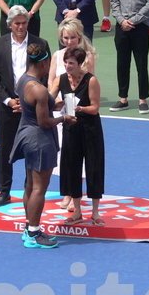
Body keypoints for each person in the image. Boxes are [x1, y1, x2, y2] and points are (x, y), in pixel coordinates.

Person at [10, 43, 76, 248]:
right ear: (45, 62)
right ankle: (34, 233)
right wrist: (63, 118)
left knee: (30, 185)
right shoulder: (38, 89)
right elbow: (44, 122)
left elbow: (38, 107)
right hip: (39, 140)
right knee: (40, 187)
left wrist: (52, 105)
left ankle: (29, 226)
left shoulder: (23, 81)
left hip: (25, 136)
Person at [0, 6, 50, 207]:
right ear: (10, 25)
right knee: (5, 150)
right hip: (6, 107)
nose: (21, 27)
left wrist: (28, 101)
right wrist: (8, 100)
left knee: (31, 151)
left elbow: (46, 75)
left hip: (30, 109)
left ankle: (28, 190)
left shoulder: (40, 44)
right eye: (17, 24)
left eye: (24, 23)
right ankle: (4, 192)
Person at [49, 46, 105, 226]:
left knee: (93, 168)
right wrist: (56, 105)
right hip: (70, 128)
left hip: (90, 129)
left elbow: (95, 108)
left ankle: (95, 213)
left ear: (80, 63)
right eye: (65, 62)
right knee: (71, 168)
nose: (67, 66)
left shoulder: (91, 80)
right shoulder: (61, 80)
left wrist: (79, 108)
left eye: (71, 63)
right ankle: (77, 212)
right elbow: (50, 100)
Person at [48, 17, 97, 212]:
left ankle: (74, 193)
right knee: (64, 154)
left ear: (80, 37)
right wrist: (53, 103)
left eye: (73, 38)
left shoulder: (88, 56)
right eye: (66, 38)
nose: (69, 41)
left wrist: (77, 106)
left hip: (80, 112)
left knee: (79, 154)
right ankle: (67, 192)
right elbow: (51, 82)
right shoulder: (56, 56)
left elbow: (90, 82)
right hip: (60, 111)